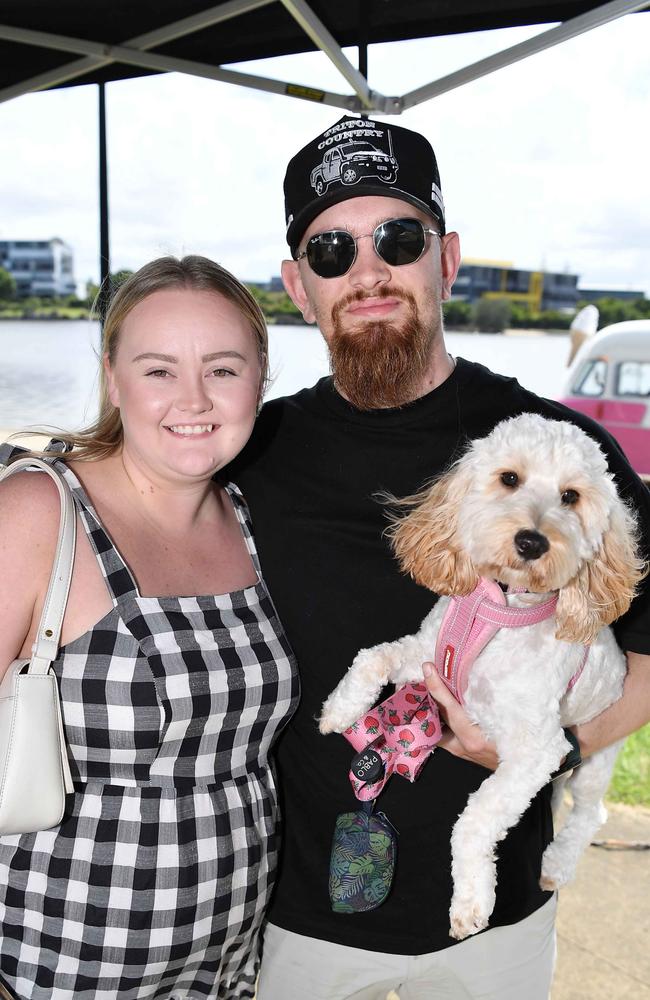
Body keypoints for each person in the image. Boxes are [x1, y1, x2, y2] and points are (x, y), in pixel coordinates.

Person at [227, 116, 650, 1000]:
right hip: (301, 919)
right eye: (332, 248)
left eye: (398, 238)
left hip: (497, 927)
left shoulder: (560, 456)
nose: (368, 270)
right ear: (299, 287)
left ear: (447, 259)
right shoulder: (249, 452)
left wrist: (551, 750)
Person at [0, 256, 299, 1000]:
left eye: (223, 369)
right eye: (159, 369)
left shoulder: (249, 519)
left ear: (260, 377)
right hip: (54, 969)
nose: (193, 399)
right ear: (113, 378)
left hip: (225, 967)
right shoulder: (42, 510)